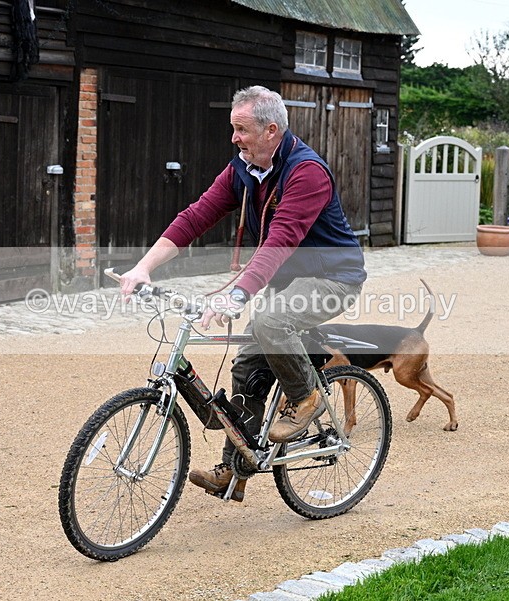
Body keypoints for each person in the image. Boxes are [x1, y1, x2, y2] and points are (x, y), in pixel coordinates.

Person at [120, 85, 366, 502]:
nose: (233, 137)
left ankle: (305, 396)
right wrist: (143, 266)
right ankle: (235, 471)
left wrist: (236, 296)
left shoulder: (306, 172)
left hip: (334, 278)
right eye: (232, 128)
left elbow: (281, 239)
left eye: (241, 129)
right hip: (288, 281)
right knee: (248, 368)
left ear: (271, 130)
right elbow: (196, 216)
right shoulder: (244, 170)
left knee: (272, 320)